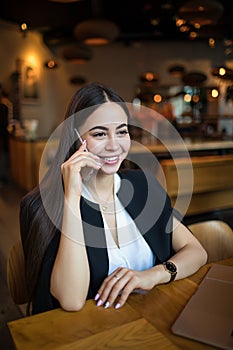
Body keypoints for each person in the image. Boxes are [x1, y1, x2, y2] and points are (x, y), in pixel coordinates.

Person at [20, 82, 207, 315]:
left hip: (153, 317)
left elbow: (196, 251)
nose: (114, 145)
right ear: (76, 137)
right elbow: (72, 300)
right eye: (99, 133)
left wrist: (153, 275)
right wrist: (72, 197)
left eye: (121, 131)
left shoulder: (143, 186)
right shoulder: (42, 206)